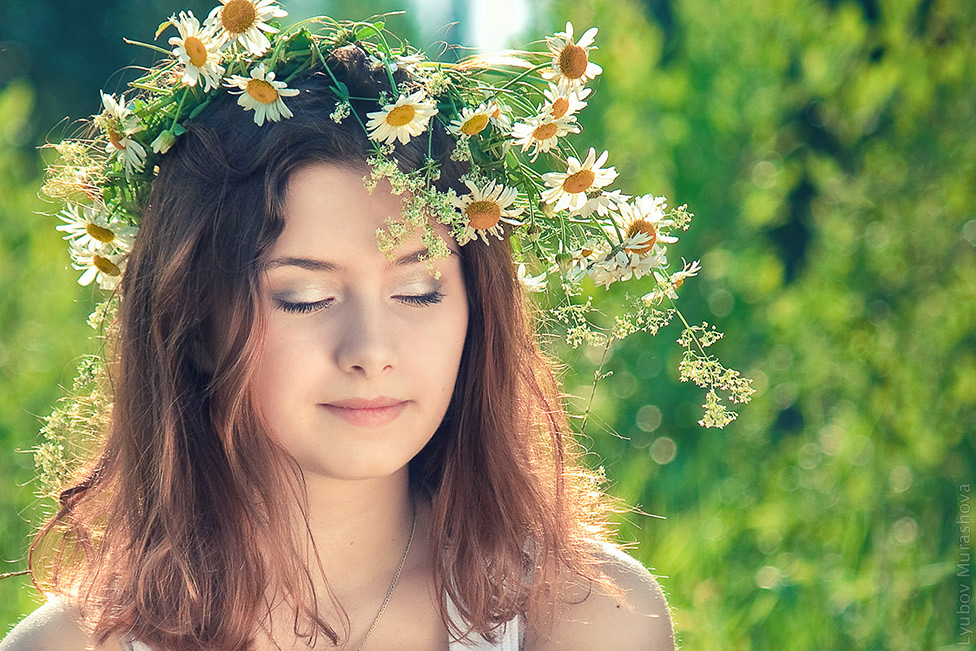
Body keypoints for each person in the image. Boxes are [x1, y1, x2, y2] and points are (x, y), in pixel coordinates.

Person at [2, 2, 685, 649]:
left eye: (419, 291)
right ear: (194, 322)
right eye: (303, 297)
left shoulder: (587, 619)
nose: (371, 351)